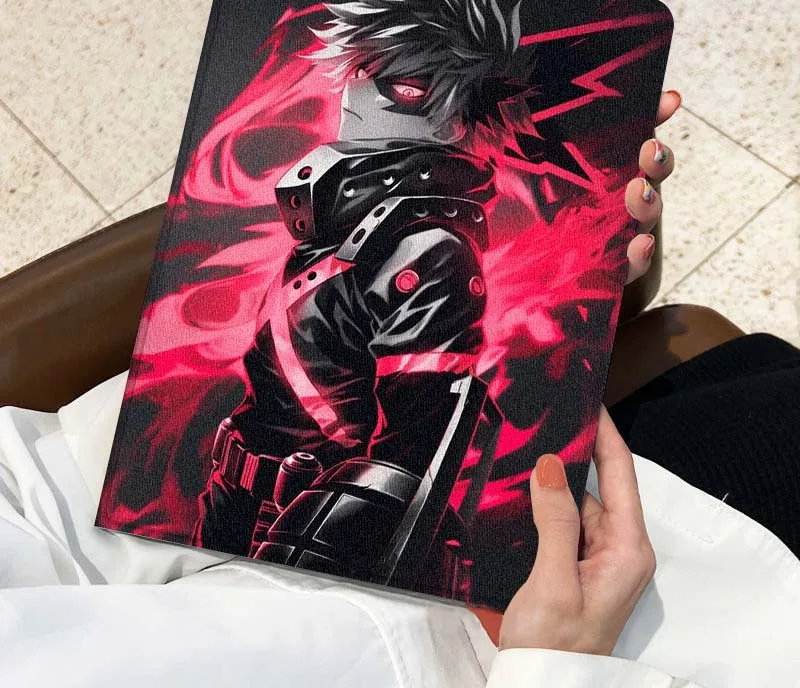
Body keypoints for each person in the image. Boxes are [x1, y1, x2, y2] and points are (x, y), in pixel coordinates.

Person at [1, 91, 798, 686]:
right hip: (582, 624)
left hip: (352, 534)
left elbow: (34, 495)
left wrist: (168, 458)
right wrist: (558, 670)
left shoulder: (395, 250)